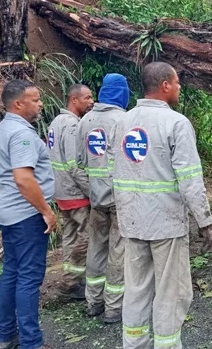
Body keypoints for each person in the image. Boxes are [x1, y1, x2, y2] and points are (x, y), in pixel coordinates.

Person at [112, 62, 212, 349]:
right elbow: (190, 179)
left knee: (136, 288)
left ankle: (134, 345)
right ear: (165, 85)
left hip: (131, 220)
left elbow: (113, 169)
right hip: (165, 223)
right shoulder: (176, 124)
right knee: (172, 292)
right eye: (178, 82)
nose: (180, 87)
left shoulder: (123, 121)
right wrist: (204, 220)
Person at [0, 80, 56, 349]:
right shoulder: (22, 135)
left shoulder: (1, 130)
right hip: (26, 216)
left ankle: (6, 336)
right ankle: (31, 342)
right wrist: (46, 211)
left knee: (11, 273)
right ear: (18, 104)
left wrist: (5, 186)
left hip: (7, 212)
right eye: (35, 100)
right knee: (28, 278)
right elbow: (24, 179)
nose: (40, 104)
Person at [77, 74, 130, 323]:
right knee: (118, 252)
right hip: (120, 199)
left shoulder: (85, 120)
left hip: (96, 197)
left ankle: (92, 302)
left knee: (96, 249)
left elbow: (79, 161)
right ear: (121, 93)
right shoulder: (124, 120)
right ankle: (114, 307)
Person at [48, 84, 94, 299]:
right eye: (87, 97)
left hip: (61, 191)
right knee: (88, 235)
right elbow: (74, 166)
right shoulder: (73, 126)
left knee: (70, 235)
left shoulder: (56, 122)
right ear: (74, 99)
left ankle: (69, 276)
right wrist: (92, 192)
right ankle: (72, 282)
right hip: (75, 193)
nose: (91, 101)